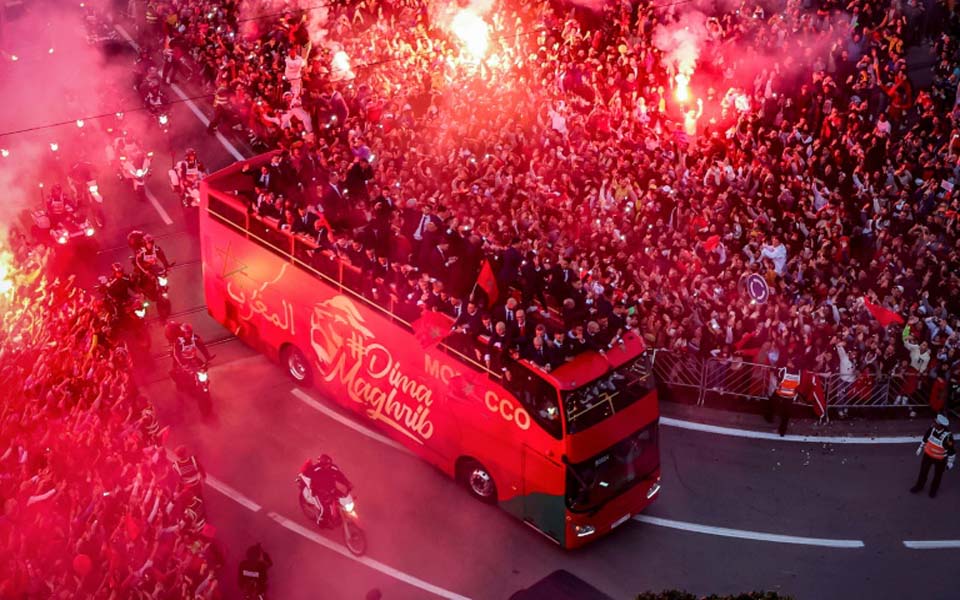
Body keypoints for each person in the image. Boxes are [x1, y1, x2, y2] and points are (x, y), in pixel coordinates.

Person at [910, 414, 956, 498]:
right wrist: (920, 447)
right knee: (923, 472)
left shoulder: (948, 437)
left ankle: (933, 490)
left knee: (937, 475)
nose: (933, 423)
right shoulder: (931, 429)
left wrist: (950, 462)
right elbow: (925, 437)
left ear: (940, 426)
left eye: (935, 423)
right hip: (928, 456)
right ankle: (919, 486)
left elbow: (951, 451)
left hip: (940, 459)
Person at [300, 454, 351, 526]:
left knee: (343, 499)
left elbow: (340, 476)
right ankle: (321, 522)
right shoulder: (316, 470)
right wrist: (320, 491)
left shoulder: (333, 468)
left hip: (331, 489)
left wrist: (348, 484)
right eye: (325, 464)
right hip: (318, 491)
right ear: (321, 464)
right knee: (324, 508)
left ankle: (338, 515)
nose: (328, 466)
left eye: (329, 464)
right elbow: (312, 481)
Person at [766, 357, 801, 437]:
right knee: (786, 415)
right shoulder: (799, 373)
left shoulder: (784, 370)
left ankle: (769, 418)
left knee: (771, 403)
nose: (788, 362)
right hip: (790, 396)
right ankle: (782, 431)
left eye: (790, 362)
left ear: (793, 365)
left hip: (780, 393)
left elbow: (777, 375)